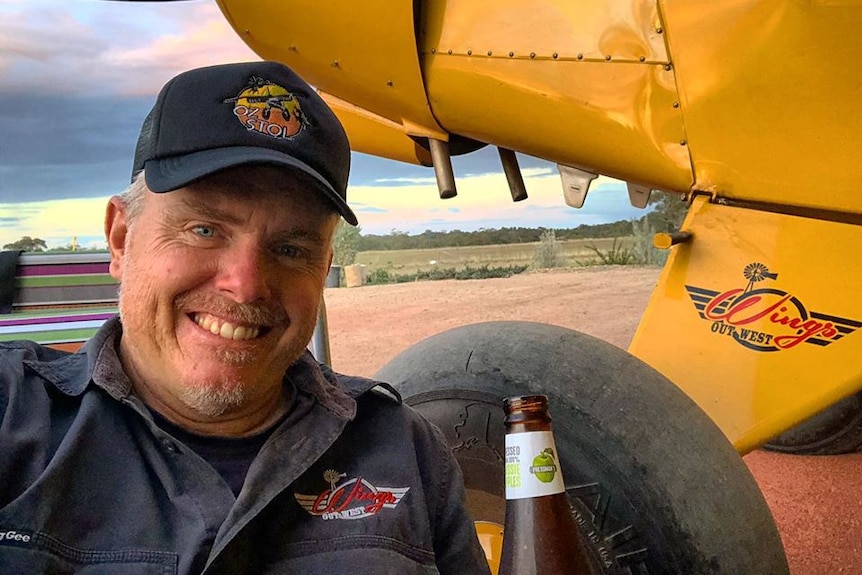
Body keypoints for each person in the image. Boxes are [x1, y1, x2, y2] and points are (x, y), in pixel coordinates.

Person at [0, 61, 491, 575]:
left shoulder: (403, 450)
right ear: (121, 238)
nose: (247, 283)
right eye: (204, 230)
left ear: (323, 268)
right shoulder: (15, 421)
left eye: (290, 247)